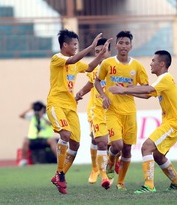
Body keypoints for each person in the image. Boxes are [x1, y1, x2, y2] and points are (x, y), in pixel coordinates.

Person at [109, 50, 177, 193]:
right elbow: (147, 95)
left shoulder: (165, 79)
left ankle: (149, 185)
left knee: (146, 147)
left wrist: (123, 90)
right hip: (171, 123)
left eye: (153, 60)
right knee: (157, 155)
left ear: (162, 64)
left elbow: (149, 89)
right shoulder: (162, 80)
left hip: (173, 124)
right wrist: (130, 90)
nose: (151, 63)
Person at [46, 29, 111, 194]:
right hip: (56, 104)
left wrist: (101, 55)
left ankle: (58, 175)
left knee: (75, 143)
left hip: (70, 106)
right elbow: (74, 59)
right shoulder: (57, 58)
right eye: (74, 44)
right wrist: (91, 47)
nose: (76, 47)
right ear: (65, 45)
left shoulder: (74, 63)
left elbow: (89, 67)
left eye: (77, 44)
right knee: (65, 135)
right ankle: (60, 174)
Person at [94, 30, 149, 191]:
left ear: (131, 46)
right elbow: (98, 81)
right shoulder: (107, 64)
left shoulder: (137, 66)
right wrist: (104, 96)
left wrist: (129, 90)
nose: (124, 46)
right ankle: (111, 161)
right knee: (117, 145)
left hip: (130, 112)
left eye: (127, 43)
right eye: (121, 43)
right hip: (112, 111)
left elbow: (146, 90)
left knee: (127, 149)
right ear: (116, 45)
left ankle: (121, 183)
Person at [75, 38, 113, 187]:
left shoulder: (116, 68)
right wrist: (79, 94)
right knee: (98, 140)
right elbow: (90, 84)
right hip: (96, 110)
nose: (99, 54)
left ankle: (107, 168)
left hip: (112, 111)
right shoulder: (95, 69)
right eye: (96, 52)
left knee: (114, 144)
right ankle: (97, 170)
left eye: (102, 51)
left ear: (109, 51)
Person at [18, 101, 57, 166]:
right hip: (33, 138)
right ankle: (24, 160)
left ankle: (58, 160)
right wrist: (30, 108)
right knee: (25, 140)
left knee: (52, 140)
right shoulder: (33, 116)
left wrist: (42, 117)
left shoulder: (47, 116)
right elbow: (21, 115)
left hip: (45, 139)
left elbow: (52, 123)